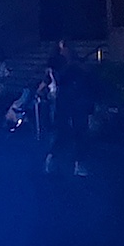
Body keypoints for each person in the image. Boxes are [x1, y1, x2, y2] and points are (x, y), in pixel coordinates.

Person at [44, 41, 93, 176]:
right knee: (62, 131)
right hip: (64, 101)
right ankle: (53, 158)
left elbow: (87, 78)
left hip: (78, 101)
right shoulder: (57, 64)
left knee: (80, 131)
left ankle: (78, 163)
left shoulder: (77, 64)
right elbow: (54, 80)